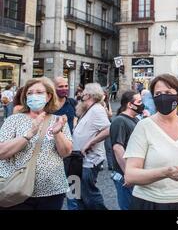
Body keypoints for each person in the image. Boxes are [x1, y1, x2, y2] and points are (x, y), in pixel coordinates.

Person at [124, 74, 178, 210]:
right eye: (158, 93)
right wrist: (165, 173)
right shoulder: (144, 126)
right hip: (150, 203)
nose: (163, 97)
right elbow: (130, 175)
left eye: (167, 92)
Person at [0, 77, 72, 210]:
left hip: (52, 191)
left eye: (39, 92)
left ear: (49, 96)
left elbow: (66, 152)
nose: (34, 96)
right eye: (30, 93)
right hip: (16, 189)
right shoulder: (14, 120)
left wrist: (58, 133)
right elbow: (1, 152)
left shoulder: (58, 120)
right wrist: (29, 134)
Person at [71, 83, 111, 210]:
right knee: (80, 193)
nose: (82, 95)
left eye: (84, 93)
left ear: (89, 95)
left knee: (90, 193)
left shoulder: (97, 109)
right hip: (79, 158)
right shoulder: (88, 109)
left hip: (90, 159)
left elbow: (108, 129)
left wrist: (90, 142)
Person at [110, 90, 143, 210]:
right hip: (125, 175)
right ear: (130, 104)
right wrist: (128, 174)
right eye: (139, 102)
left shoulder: (135, 119)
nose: (142, 104)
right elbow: (117, 148)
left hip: (135, 173)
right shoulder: (120, 121)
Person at [101, 90, 114, 171]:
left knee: (108, 146)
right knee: (99, 146)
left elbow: (110, 115)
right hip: (99, 127)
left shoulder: (107, 103)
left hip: (107, 126)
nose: (103, 96)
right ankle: (100, 163)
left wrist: (105, 106)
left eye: (104, 94)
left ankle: (110, 164)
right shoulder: (96, 104)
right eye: (102, 94)